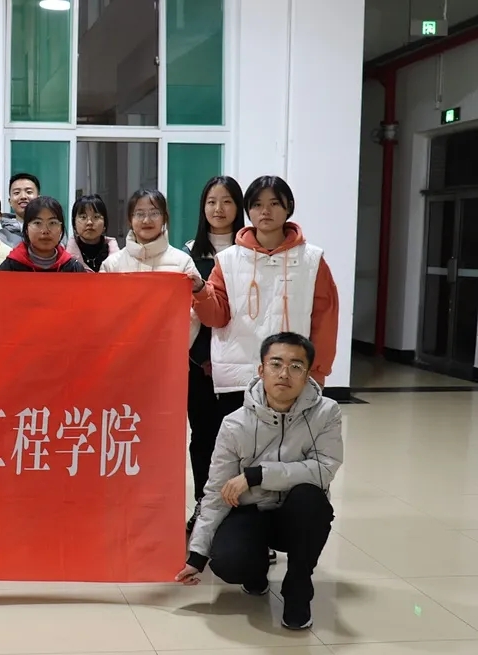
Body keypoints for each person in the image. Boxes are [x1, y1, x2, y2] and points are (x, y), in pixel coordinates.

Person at [177, 332, 341, 631]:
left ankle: (298, 587)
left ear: (307, 374)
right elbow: (215, 491)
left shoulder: (326, 412)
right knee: (229, 563)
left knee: (311, 499)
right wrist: (197, 555)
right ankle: (255, 570)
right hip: (250, 512)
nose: (284, 373)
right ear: (261, 370)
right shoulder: (235, 423)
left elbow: (324, 469)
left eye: (295, 366)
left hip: (295, 516)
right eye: (276, 364)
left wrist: (256, 475)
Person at [193, 176, 340, 418]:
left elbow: (325, 322)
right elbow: (215, 318)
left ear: (288, 207)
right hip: (237, 380)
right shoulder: (227, 260)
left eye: (274, 204)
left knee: (287, 442)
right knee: (238, 442)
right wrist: (200, 291)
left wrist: (317, 372)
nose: (265, 211)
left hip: (290, 378)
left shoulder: (312, 260)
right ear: (248, 210)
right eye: (257, 205)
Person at [183, 176, 246, 531]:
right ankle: (204, 506)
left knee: (241, 440)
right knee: (203, 437)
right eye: (211, 201)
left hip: (241, 364)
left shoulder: (250, 251)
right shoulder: (188, 253)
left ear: (239, 207)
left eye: (226, 201)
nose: (218, 209)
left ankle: (241, 511)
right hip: (198, 364)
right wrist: (202, 356)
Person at [100, 189, 202, 348]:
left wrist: (168, 345)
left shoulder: (183, 263)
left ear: (164, 218)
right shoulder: (111, 265)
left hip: (167, 354)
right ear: (130, 220)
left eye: (154, 213)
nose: (147, 220)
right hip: (121, 354)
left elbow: (194, 314)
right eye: (139, 214)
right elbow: (103, 313)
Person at [0, 196, 88, 273]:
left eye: (52, 223)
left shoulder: (74, 269)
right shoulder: (10, 267)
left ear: (61, 229)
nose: (45, 231)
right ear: (26, 229)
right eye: (37, 223)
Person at [68, 194, 121, 272]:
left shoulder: (119, 258)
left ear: (104, 224)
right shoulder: (65, 260)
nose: (89, 222)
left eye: (96, 217)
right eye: (83, 217)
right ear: (74, 224)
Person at [0, 173, 40, 247]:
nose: (23, 197)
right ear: (10, 201)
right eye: (17, 193)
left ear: (39, 199)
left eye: (29, 192)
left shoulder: (53, 232)